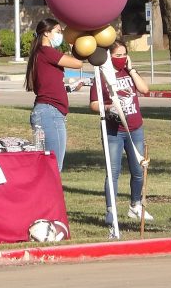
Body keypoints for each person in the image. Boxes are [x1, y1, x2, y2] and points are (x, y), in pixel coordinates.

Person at [89, 40, 152, 225]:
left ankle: (135, 205)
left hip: (135, 129)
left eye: (125, 54)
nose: (122, 58)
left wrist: (131, 68)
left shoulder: (128, 72)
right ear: (109, 57)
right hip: (114, 132)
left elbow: (144, 89)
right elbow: (93, 104)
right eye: (118, 55)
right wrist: (109, 107)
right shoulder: (102, 75)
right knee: (113, 172)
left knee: (138, 170)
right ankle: (111, 211)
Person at [25, 18, 84, 172]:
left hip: (46, 111)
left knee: (45, 166)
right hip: (50, 113)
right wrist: (77, 46)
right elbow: (78, 63)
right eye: (58, 32)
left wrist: (69, 89)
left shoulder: (40, 53)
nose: (60, 35)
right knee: (54, 166)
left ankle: (42, 196)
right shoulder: (47, 51)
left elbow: (48, 84)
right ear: (46, 32)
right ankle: (51, 196)